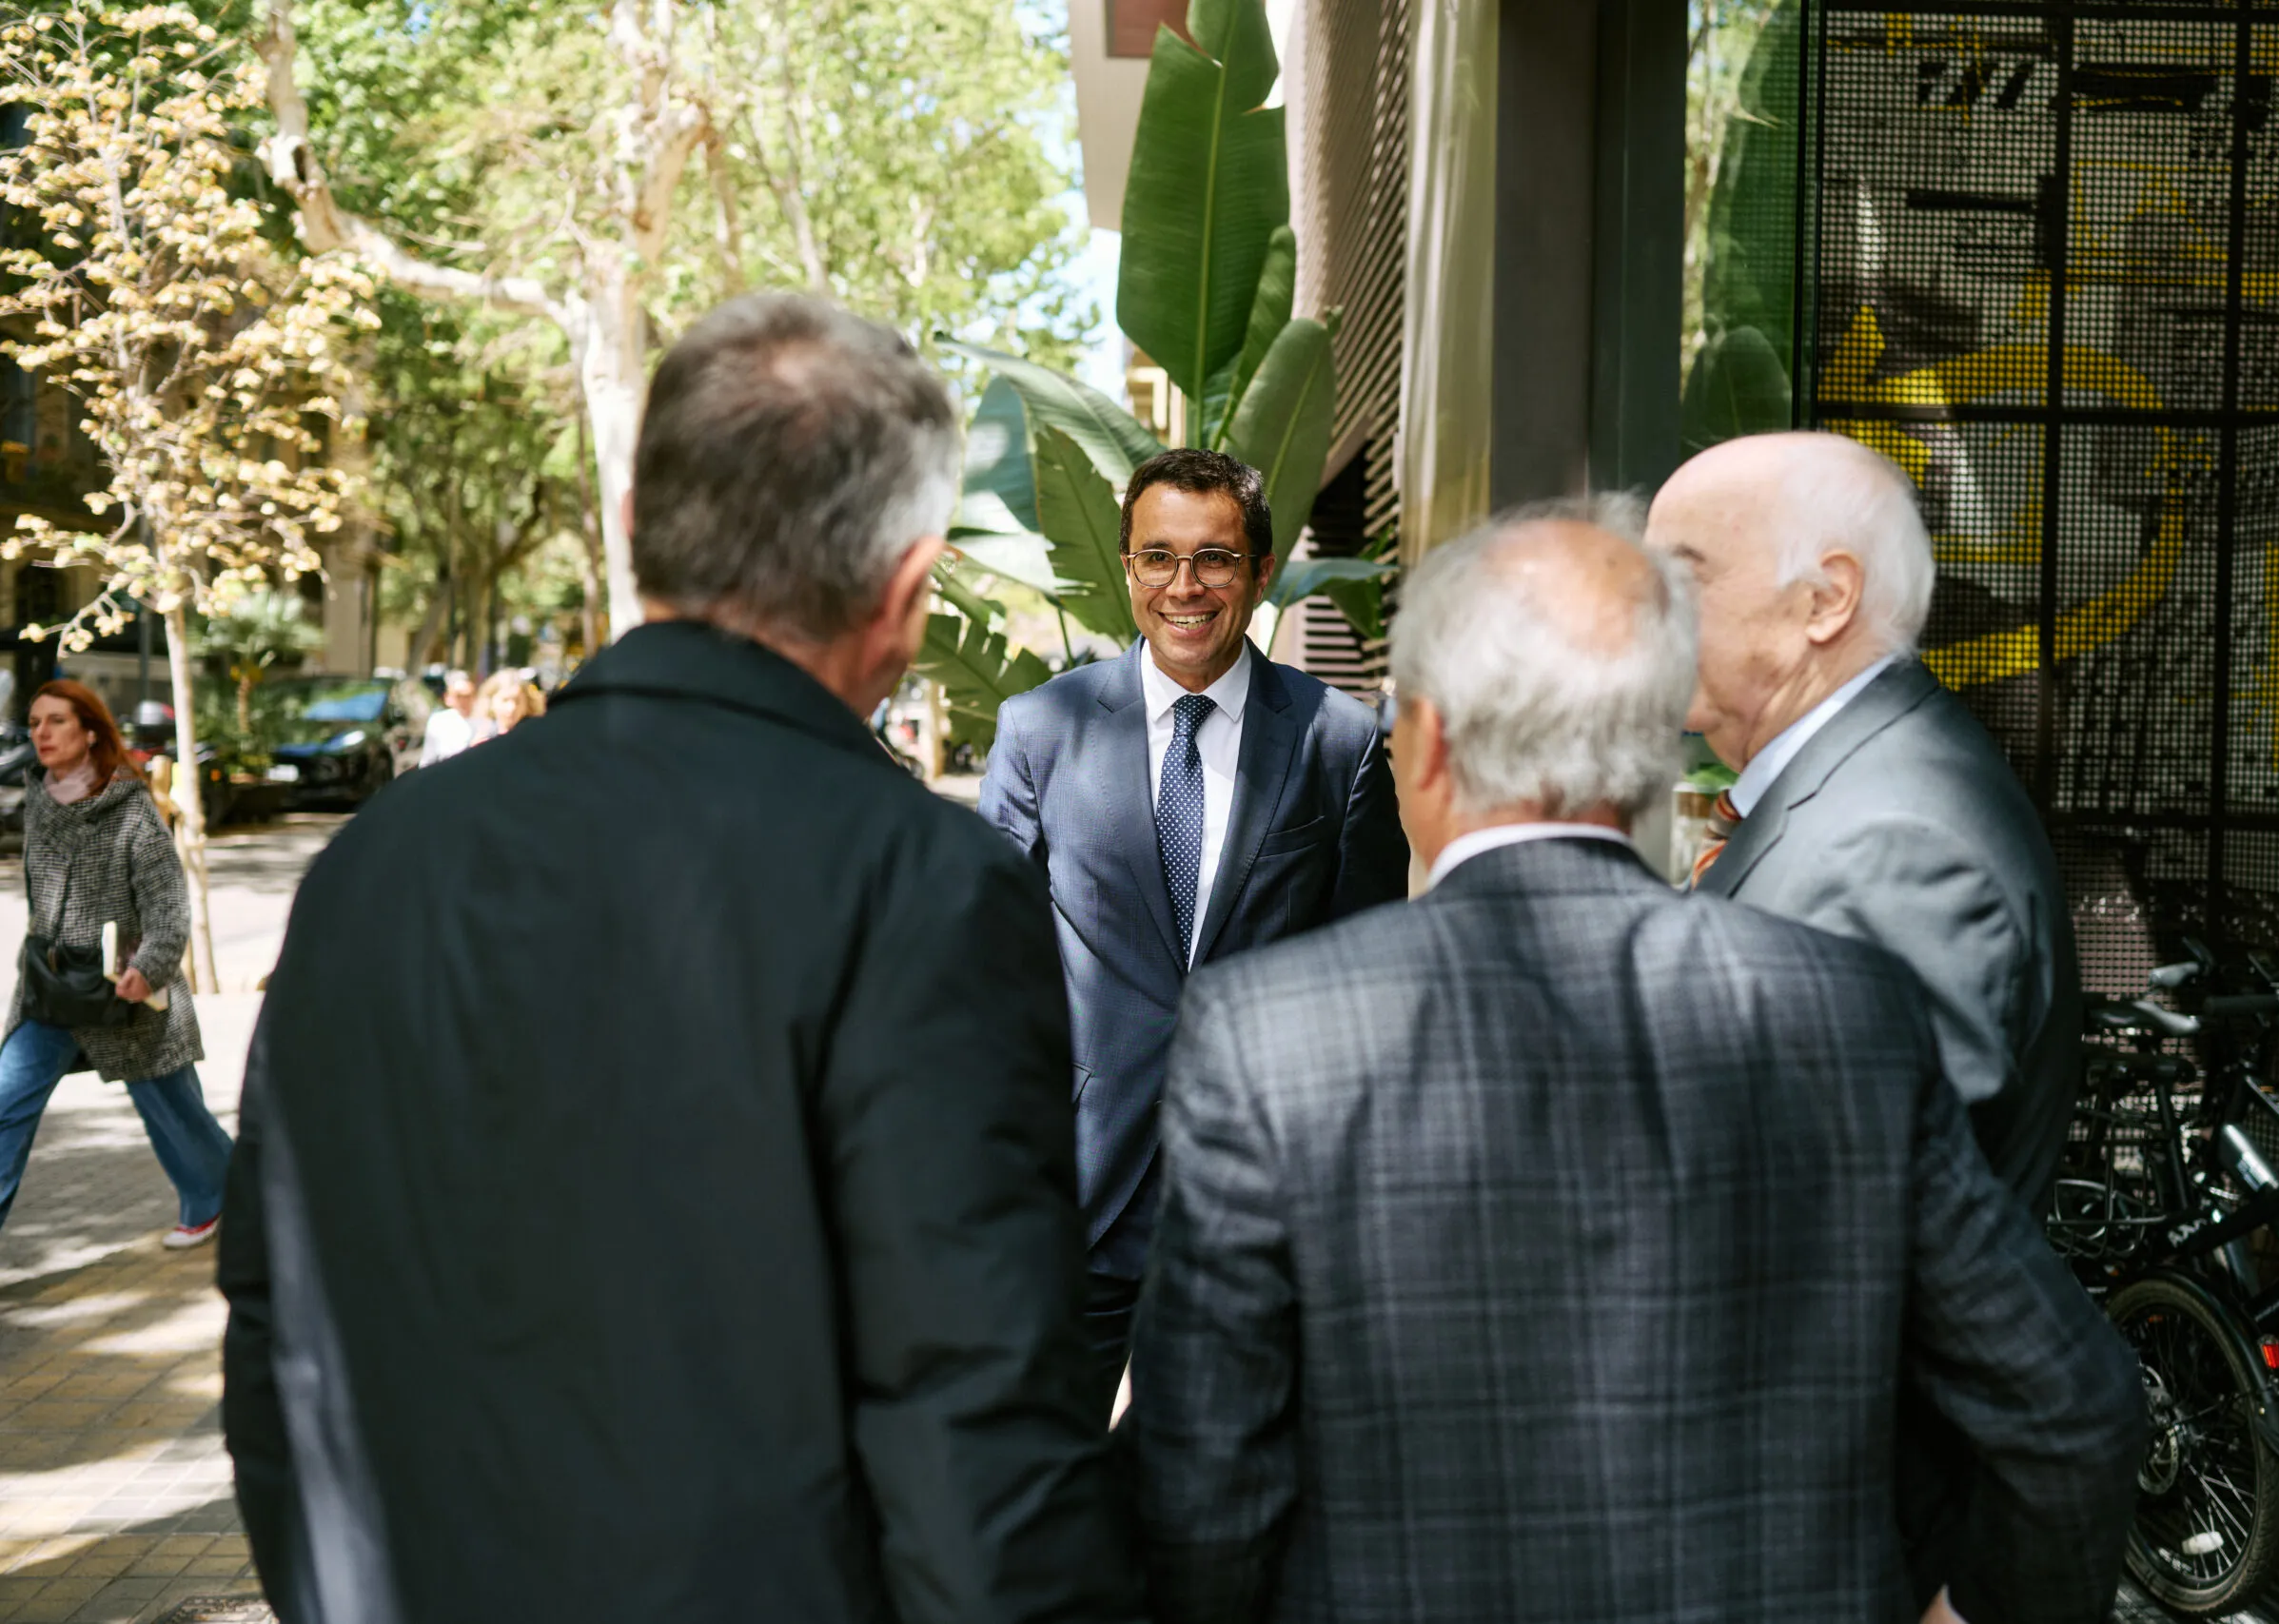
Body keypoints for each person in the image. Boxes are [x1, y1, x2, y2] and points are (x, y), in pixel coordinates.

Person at [219, 293, 1141, 1624]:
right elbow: (978, 1434)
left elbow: (274, 1332)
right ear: (906, 591)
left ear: (634, 528)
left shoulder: (373, 866)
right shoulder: (924, 885)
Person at [1125, 499, 2146, 1624]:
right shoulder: (1849, 1010)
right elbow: (2071, 1408)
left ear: (1430, 740)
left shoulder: (1268, 1036)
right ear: (1649, 747)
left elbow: (1199, 1495)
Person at [978, 447, 1408, 1412]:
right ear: (1127, 566)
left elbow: (1369, 981)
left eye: (1214, 558)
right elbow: (982, 968)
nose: (1185, 586)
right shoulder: (1041, 729)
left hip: (1258, 1201)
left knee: (1228, 1484)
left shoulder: (1337, 740)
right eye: (1158, 557)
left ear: (1260, 571)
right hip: (1079, 1188)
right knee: (1040, 1464)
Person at [1646, 431, 2078, 1208]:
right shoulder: (1862, 795)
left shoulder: (1896, 848)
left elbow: (1847, 1225)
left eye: (1681, 579)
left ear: (1825, 598)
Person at [0, 680, 226, 1248]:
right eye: (35, 721)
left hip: (124, 989)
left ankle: (225, 1196)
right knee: (5, 1105)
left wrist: (148, 967)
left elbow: (167, 906)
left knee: (173, 1109)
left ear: (91, 733)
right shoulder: (39, 801)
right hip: (50, 989)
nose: (42, 733)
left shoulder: (131, 811)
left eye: (57, 721)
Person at [417, 669, 477, 767]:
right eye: (459, 696)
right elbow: (428, 759)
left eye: (468, 696)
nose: (464, 701)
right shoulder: (439, 721)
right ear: (448, 698)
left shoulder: (485, 720)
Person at [471, 668, 545, 741]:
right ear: (491, 702)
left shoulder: (536, 737)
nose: (511, 708)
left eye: (517, 701)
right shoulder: (479, 734)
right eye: (505, 700)